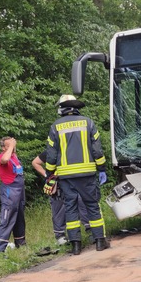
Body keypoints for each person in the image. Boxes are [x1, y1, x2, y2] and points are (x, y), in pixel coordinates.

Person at [44, 95, 108, 255]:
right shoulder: (88, 122)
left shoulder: (55, 127)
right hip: (87, 174)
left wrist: (49, 174)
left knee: (71, 209)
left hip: (66, 177)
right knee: (92, 206)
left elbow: (51, 155)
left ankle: (76, 246)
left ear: (63, 108)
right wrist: (102, 169)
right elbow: (97, 150)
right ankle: (100, 241)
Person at [32, 150, 90, 246]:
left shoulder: (73, 148)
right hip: (58, 185)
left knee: (82, 204)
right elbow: (35, 162)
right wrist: (48, 176)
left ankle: (89, 229)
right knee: (59, 210)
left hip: (74, 182)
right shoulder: (51, 151)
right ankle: (60, 235)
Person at [0, 136, 26, 254]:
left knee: (19, 217)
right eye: (8, 145)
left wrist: (11, 148)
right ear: (3, 148)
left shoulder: (14, 157)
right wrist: (11, 147)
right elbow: (5, 160)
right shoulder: (1, 157)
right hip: (9, 191)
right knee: (7, 218)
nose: (12, 146)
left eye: (13, 144)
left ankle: (21, 244)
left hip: (19, 190)